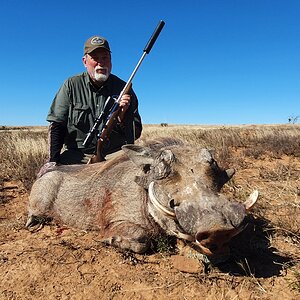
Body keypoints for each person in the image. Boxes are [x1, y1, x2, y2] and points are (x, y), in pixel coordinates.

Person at [46, 35, 142, 164]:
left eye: (105, 58)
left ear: (111, 60)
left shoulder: (124, 88)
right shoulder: (71, 85)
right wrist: (52, 161)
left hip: (114, 155)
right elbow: (57, 125)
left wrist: (123, 116)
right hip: (78, 155)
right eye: (95, 58)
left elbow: (136, 134)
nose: (101, 63)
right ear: (85, 61)